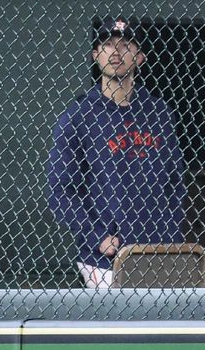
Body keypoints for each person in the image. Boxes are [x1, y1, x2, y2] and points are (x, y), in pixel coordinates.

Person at [47, 16, 186, 289]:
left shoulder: (159, 113)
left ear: (140, 56)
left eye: (126, 45)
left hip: (158, 253)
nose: (116, 52)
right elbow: (60, 191)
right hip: (105, 256)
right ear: (95, 55)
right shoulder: (78, 116)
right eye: (108, 45)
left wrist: (170, 233)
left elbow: (176, 182)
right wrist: (95, 235)